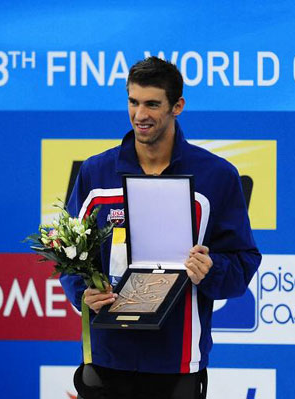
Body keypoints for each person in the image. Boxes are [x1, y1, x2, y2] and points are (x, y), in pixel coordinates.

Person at [60, 56, 262, 399]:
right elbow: (68, 254)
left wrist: (211, 269)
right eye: (133, 102)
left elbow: (243, 262)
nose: (141, 115)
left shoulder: (216, 177)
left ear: (177, 106)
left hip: (177, 361)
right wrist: (82, 293)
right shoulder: (96, 174)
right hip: (108, 358)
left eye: (152, 104)